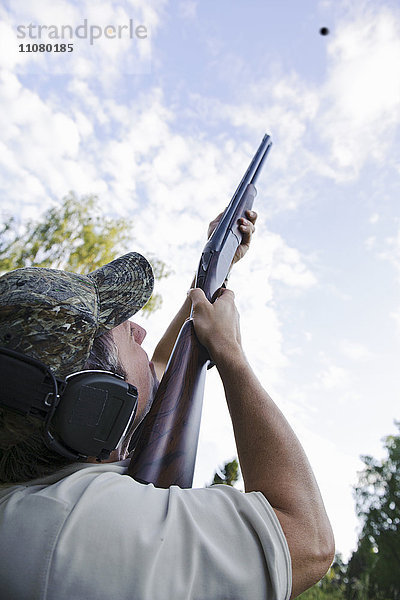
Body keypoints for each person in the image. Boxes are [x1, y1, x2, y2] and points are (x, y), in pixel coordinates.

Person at [0, 210, 334, 599]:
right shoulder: (72, 530)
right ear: (96, 406)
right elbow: (308, 541)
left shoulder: (32, 489)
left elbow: (156, 370)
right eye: (124, 330)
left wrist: (210, 274)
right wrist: (230, 352)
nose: (140, 328)